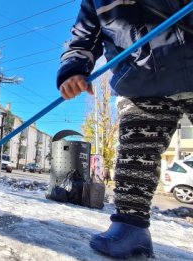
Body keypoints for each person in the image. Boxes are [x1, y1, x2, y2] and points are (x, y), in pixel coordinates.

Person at [57, 0, 192, 258]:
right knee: (136, 157)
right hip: (142, 81)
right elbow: (82, 39)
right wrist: (72, 71)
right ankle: (130, 228)